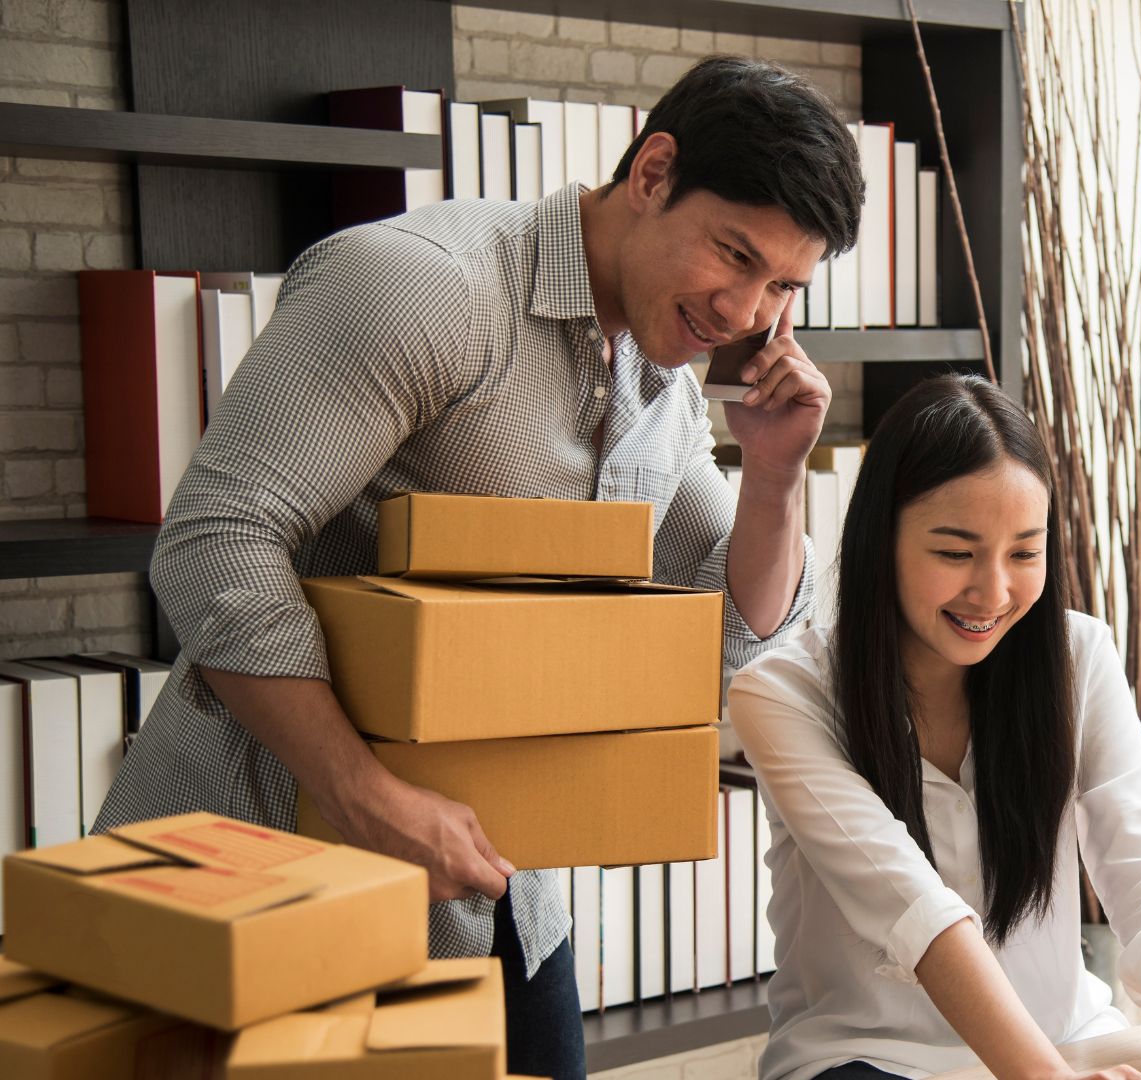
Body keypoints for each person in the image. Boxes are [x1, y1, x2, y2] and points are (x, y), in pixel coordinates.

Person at [92, 56, 863, 1080]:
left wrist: (772, 479)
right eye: (736, 255)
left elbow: (731, 633)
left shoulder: (658, 387)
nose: (746, 312)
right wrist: (366, 793)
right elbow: (214, 541)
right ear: (653, 171)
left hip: (492, 895)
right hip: (260, 861)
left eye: (783, 287)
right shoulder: (421, 288)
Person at [729, 375, 1141, 1080]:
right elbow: (917, 914)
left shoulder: (1077, 658)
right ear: (884, 540)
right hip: (872, 1061)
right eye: (955, 553)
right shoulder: (781, 695)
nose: (993, 592)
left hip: (1067, 1038)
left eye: (1024, 554)